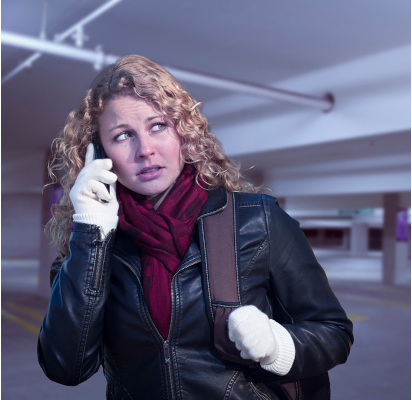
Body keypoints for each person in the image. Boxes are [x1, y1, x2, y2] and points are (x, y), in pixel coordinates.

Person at [38, 54, 353, 400]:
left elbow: (334, 332)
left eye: (157, 126)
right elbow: (65, 368)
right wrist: (91, 234)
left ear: (183, 131)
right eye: (123, 135)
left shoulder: (256, 221)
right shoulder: (90, 244)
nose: (145, 150)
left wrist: (278, 346)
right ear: (98, 154)